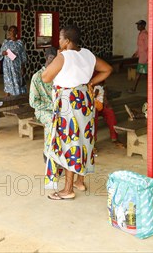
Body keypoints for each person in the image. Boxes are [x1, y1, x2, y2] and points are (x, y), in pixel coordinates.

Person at [41, 24, 113, 200]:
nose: (58, 41)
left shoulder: (64, 56)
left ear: (66, 41)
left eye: (60, 38)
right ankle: (79, 181)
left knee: (69, 142)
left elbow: (46, 77)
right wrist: (90, 83)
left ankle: (67, 190)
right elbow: (107, 69)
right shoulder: (87, 54)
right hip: (84, 101)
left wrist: (57, 57)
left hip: (68, 102)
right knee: (84, 139)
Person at [0, 25, 28, 96]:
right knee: (7, 80)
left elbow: (23, 55)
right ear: (8, 32)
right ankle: (7, 95)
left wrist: (22, 67)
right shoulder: (5, 42)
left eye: (14, 30)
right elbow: (0, 52)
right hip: (7, 66)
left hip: (16, 65)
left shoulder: (19, 43)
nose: (12, 32)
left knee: (17, 80)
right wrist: (4, 53)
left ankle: (18, 97)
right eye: (10, 30)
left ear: (16, 32)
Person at [93, 82, 120, 147]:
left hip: (102, 104)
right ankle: (92, 143)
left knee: (110, 113)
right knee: (94, 120)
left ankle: (114, 138)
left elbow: (104, 92)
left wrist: (105, 98)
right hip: (91, 106)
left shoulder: (103, 84)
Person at [127, 19, 148, 93]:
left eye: (139, 25)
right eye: (137, 25)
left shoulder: (145, 34)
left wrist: (145, 58)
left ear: (143, 26)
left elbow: (147, 47)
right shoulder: (141, 33)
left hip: (144, 58)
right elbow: (140, 47)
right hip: (143, 57)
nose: (138, 26)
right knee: (145, 74)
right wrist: (136, 53)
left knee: (139, 73)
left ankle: (133, 89)